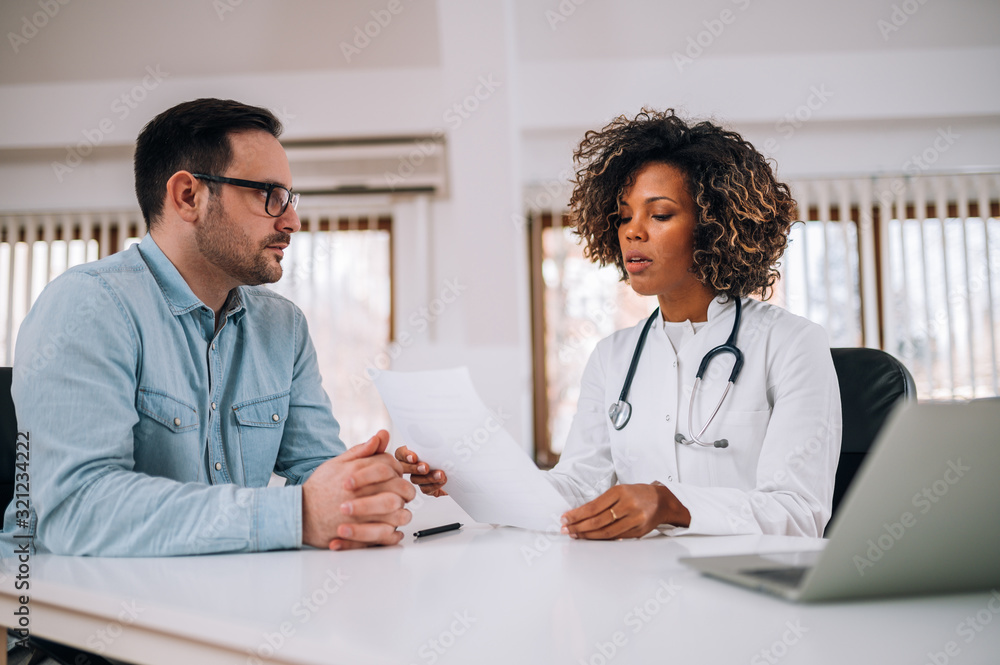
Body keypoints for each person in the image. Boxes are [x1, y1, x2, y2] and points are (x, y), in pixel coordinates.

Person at [397, 109, 841, 539]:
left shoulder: (791, 344)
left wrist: (671, 505)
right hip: (639, 589)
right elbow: (574, 488)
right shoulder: (613, 357)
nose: (632, 231)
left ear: (713, 226)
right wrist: (471, 481)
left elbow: (799, 512)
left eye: (660, 214)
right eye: (625, 216)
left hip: (749, 592)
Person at [0, 98, 414, 557]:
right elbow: (77, 511)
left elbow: (315, 473)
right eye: (269, 195)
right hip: (70, 613)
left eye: (291, 199)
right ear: (188, 197)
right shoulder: (86, 307)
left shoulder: (284, 326)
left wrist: (369, 485)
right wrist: (295, 515)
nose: (292, 221)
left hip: (224, 601)